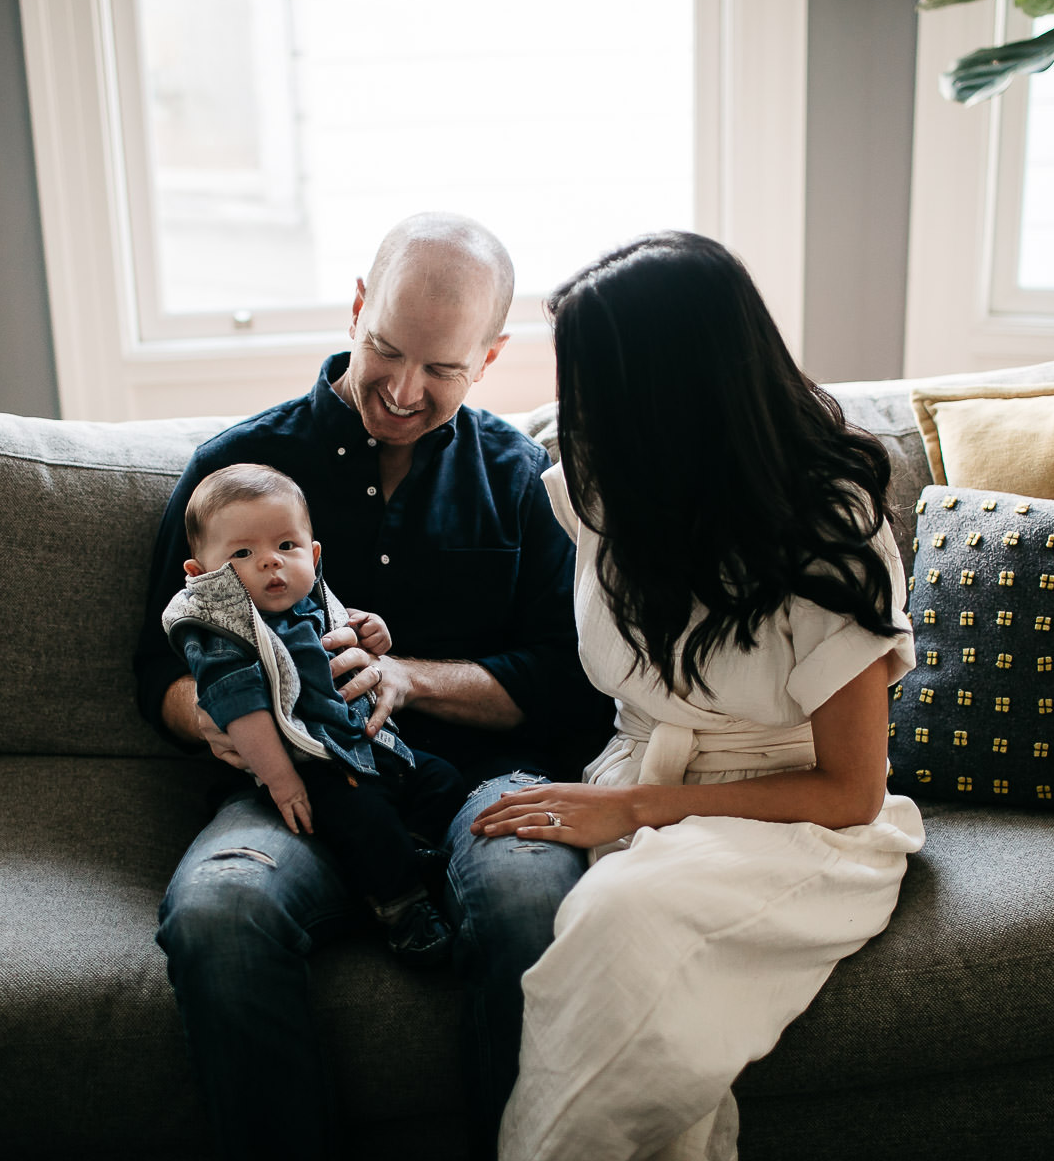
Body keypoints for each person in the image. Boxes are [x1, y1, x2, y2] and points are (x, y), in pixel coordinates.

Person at [135, 212, 611, 1159]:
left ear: (491, 356)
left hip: (479, 785)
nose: (401, 391)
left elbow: (571, 685)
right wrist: (223, 726)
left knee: (528, 905)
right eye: (385, 350)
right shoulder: (233, 477)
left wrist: (410, 678)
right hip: (299, 788)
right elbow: (156, 668)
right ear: (356, 306)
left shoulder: (525, 481)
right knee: (217, 914)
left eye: (441, 370)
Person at [472, 231, 926, 1161]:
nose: (573, 408)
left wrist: (638, 808)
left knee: (621, 920)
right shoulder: (607, 488)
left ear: (669, 389)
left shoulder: (829, 524)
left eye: (593, 381)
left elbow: (851, 792)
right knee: (650, 1021)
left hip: (799, 820)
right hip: (643, 778)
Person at [162, 462, 464, 965]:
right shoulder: (224, 635)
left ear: (313, 553)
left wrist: (374, 634)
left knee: (442, 781)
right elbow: (244, 717)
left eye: (286, 547)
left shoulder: (312, 599)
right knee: (365, 819)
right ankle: (403, 910)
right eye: (242, 553)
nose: (271, 564)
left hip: (366, 747)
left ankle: (402, 853)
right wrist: (283, 783)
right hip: (312, 763)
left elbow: (358, 642)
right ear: (201, 574)